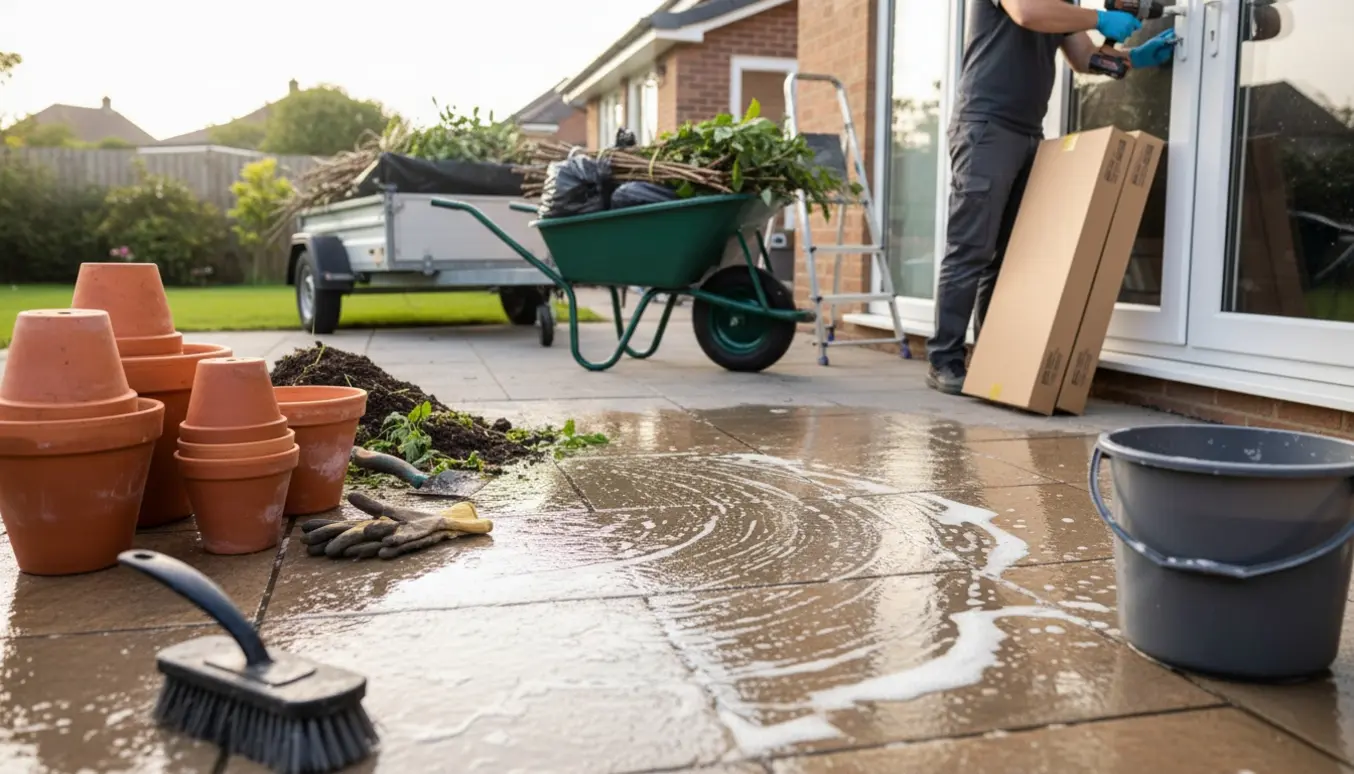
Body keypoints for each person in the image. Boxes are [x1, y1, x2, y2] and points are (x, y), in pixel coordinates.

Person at [925, 0, 1178, 395]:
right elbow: (1028, 12)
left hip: (1027, 131)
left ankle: (990, 354)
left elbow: (1083, 57)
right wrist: (1100, 18)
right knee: (970, 247)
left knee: (1007, 256)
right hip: (986, 126)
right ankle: (944, 359)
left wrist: (1135, 59)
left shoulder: (1062, 6)